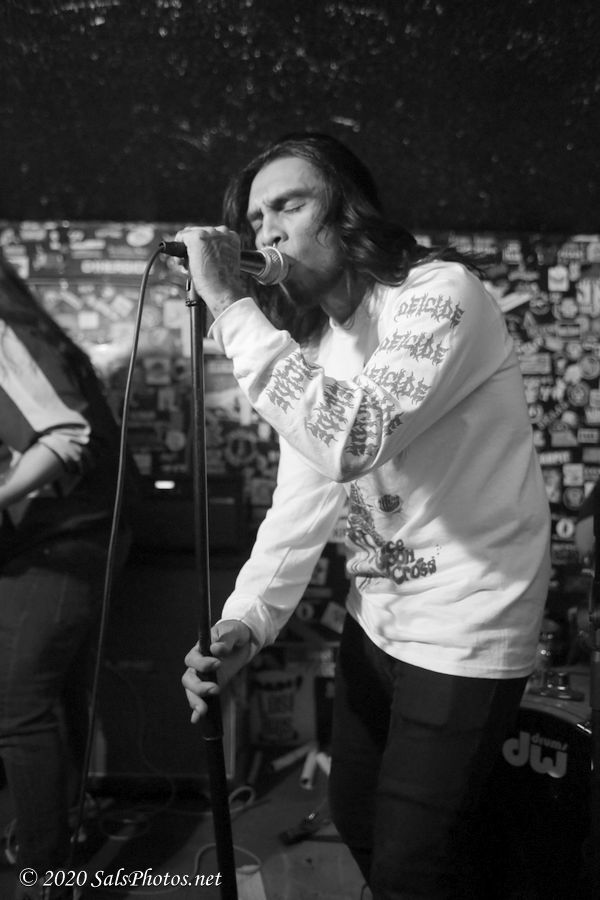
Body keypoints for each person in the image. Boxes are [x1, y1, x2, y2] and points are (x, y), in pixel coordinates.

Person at [180, 132, 551, 899]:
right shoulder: (319, 346)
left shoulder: (439, 294)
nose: (267, 231)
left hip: (468, 623)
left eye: (289, 204)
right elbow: (302, 501)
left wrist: (230, 306)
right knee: (358, 818)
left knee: (413, 867)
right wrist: (247, 620)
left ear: (346, 210)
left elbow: (353, 439)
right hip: (377, 620)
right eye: (256, 219)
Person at [0, 256, 133, 900]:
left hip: (71, 531)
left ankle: (46, 872)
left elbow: (66, 433)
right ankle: (63, 833)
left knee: (18, 702)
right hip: (68, 528)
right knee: (52, 691)